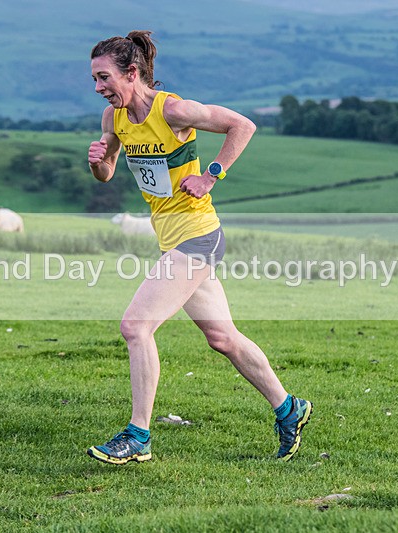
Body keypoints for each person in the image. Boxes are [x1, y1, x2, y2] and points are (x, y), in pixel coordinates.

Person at [85, 30, 312, 464]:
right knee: (223, 338)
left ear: (132, 73)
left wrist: (211, 174)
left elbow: (242, 125)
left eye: (104, 77)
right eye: (94, 80)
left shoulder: (173, 109)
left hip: (198, 235)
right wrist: (98, 162)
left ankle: (138, 436)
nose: (98, 88)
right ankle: (289, 408)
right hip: (172, 238)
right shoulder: (112, 120)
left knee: (136, 327)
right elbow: (108, 173)